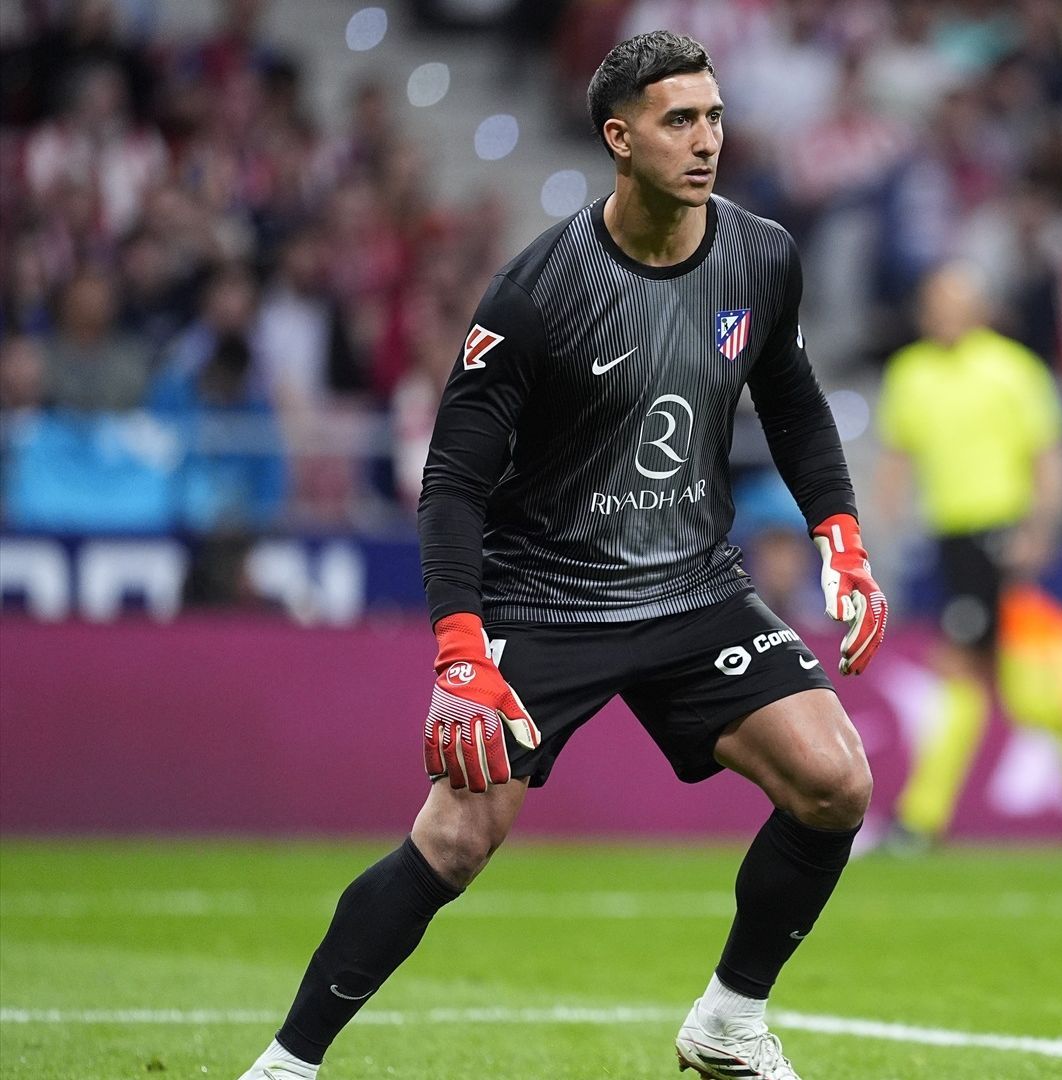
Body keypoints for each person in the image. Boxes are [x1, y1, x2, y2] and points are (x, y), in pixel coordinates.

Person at [238, 31, 888, 1080]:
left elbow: (798, 405)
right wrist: (461, 651)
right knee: (452, 845)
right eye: (681, 121)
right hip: (549, 598)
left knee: (834, 782)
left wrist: (842, 541)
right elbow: (450, 482)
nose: (708, 139)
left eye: (715, 116)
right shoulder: (537, 294)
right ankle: (286, 1064)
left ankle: (727, 1024)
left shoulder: (762, 256)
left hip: (691, 588)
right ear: (619, 139)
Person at [874, 264, 1062, 847]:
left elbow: (1048, 455)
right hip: (947, 541)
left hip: (1000, 533)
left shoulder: (1012, 369)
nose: (945, 316)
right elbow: (898, 459)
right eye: (936, 305)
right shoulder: (910, 374)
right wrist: (878, 531)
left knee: (962, 670)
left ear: (977, 309)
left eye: (956, 304)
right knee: (1015, 679)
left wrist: (1040, 529)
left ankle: (921, 820)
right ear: (924, 314)